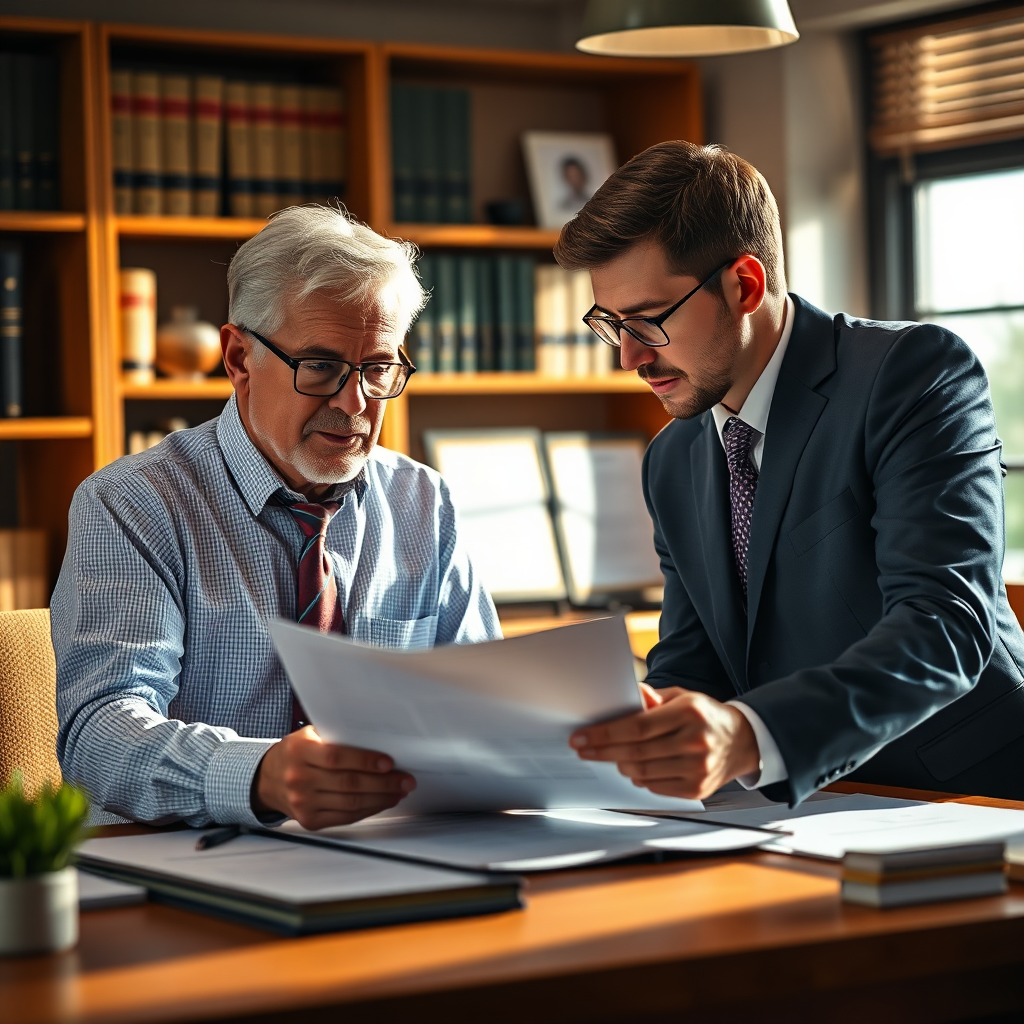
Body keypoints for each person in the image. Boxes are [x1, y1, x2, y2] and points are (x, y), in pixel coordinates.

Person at [557, 141, 1024, 806]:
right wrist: (648, 722)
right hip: (784, 814)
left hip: (971, 798)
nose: (628, 355)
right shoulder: (671, 458)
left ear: (744, 285)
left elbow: (944, 625)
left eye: (649, 321)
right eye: (611, 323)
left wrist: (747, 736)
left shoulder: (913, 375)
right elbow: (697, 662)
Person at [53, 206, 500, 830]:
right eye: (320, 367)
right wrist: (259, 777)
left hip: (397, 849)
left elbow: (485, 708)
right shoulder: (133, 504)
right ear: (238, 358)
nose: (354, 404)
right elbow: (97, 734)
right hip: (193, 862)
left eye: (376, 369)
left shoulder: (423, 503)